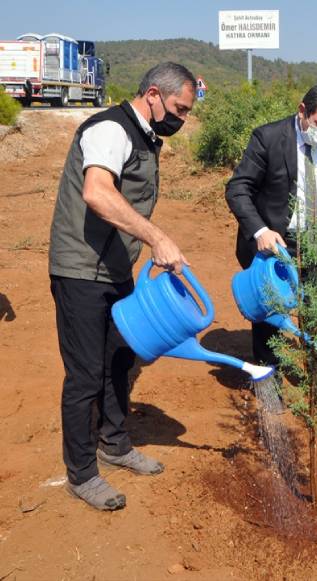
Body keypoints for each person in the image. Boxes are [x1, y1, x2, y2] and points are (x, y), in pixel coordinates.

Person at [49, 62, 196, 510]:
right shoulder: (110, 130)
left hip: (115, 269)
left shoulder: (146, 136)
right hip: (80, 270)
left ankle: (114, 444)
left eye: (187, 112)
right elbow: (97, 192)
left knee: (119, 359)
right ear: (153, 93)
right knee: (85, 375)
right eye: (178, 108)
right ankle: (82, 473)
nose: (182, 119)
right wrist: (157, 237)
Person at [225, 84, 317, 366]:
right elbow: (238, 188)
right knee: (270, 314)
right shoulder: (268, 137)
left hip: (315, 240)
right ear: (302, 110)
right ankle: (271, 383)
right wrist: (260, 230)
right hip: (275, 245)